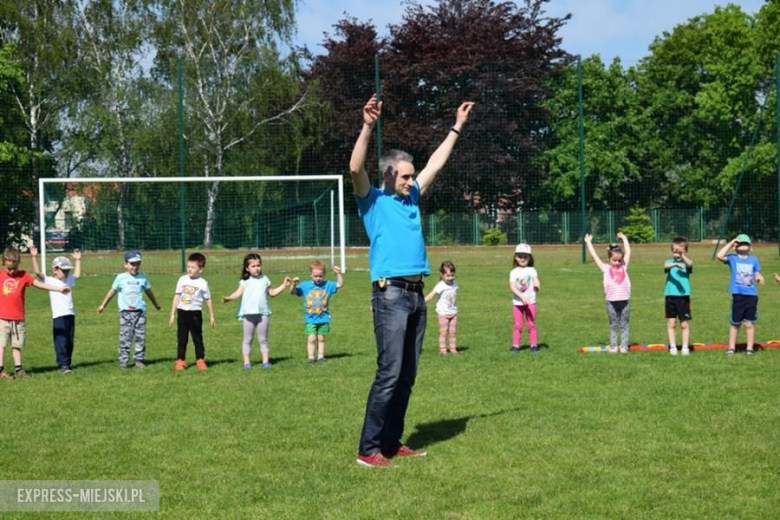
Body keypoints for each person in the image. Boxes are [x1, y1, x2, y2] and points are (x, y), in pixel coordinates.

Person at [351, 94, 475, 467]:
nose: (411, 181)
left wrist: (456, 127)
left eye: (412, 175)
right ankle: (367, 449)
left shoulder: (412, 198)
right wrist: (368, 126)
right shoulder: (372, 200)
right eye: (405, 176)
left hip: (418, 296)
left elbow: (437, 163)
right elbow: (355, 168)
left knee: (406, 376)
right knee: (388, 373)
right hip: (389, 296)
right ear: (388, 175)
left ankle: (390, 442)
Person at [0, 245, 71, 379]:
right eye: (8, 267)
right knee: (1, 343)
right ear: (3, 262)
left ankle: (19, 369)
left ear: (18, 263)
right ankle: (0, 370)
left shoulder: (24, 276)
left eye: (14, 267)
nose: (11, 271)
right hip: (2, 317)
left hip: (18, 317)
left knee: (17, 344)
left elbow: (40, 285)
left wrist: (59, 289)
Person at [221, 254, 290, 369]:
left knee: (263, 339)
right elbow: (238, 293)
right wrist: (229, 298)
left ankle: (265, 362)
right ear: (247, 268)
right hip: (248, 315)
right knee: (248, 339)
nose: (256, 268)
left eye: (258, 265)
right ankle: (247, 362)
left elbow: (272, 293)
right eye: (253, 266)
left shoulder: (265, 279)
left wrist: (284, 286)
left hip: (263, 314)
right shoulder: (245, 281)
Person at [97, 250, 162, 369]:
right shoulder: (120, 278)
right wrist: (103, 305)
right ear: (126, 264)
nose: (135, 267)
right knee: (125, 337)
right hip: (126, 312)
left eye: (138, 264)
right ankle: (123, 360)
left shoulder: (143, 277)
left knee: (140, 337)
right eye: (132, 264)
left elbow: (149, 292)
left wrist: (156, 304)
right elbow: (112, 291)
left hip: (140, 312)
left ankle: (139, 360)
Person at [29, 245, 82, 373]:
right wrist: (34, 257)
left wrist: (78, 260)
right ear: (55, 270)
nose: (66, 273)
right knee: (61, 340)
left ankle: (67, 363)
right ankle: (63, 365)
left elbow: (77, 274)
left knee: (69, 340)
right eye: (63, 270)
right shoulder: (50, 280)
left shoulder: (69, 280)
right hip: (58, 316)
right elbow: (38, 273)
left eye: (67, 270)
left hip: (70, 314)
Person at [716, 234, 765, 355]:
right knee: (735, 324)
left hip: (751, 296)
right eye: (740, 243)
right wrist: (731, 242)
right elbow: (719, 256)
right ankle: (731, 348)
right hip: (738, 296)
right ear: (735, 247)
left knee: (749, 324)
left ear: (750, 247)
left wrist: (759, 277)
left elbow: (757, 272)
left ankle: (750, 348)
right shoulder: (732, 258)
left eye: (745, 244)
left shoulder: (754, 259)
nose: (743, 245)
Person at [585, 232, 632, 354]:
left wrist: (624, 238)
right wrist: (589, 243)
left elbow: (628, 252)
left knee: (624, 323)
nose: (617, 262)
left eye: (619, 260)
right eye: (614, 260)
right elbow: (595, 257)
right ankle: (613, 346)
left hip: (624, 300)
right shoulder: (605, 268)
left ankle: (624, 346)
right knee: (613, 324)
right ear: (609, 259)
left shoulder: (624, 266)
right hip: (611, 301)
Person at [289, 261, 344, 363]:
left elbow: (340, 284)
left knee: (321, 338)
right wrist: (293, 284)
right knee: (311, 338)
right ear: (310, 275)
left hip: (323, 318)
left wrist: (338, 273)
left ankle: (320, 356)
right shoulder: (305, 285)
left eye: (320, 276)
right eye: (315, 276)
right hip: (310, 318)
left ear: (324, 275)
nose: (318, 278)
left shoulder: (328, 285)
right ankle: (311, 357)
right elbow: (293, 292)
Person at [169, 252, 215, 371]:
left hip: (195, 313)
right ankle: (180, 360)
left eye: (193, 267)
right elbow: (177, 296)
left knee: (197, 338)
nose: (189, 269)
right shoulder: (182, 279)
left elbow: (208, 299)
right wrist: (173, 314)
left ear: (200, 269)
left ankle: (200, 360)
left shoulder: (203, 283)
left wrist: (212, 316)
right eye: (188, 266)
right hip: (182, 313)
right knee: (182, 338)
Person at [663, 237, 693, 356]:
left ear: (685, 251)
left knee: (684, 324)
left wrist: (682, 256)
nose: (678, 253)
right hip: (670, 296)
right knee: (671, 323)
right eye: (675, 251)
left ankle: (685, 347)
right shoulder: (669, 262)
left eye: (680, 251)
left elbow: (689, 264)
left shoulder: (687, 263)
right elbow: (665, 267)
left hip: (683, 297)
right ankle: (673, 347)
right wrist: (675, 264)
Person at [509, 244, 540, 353]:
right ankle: (516, 345)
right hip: (517, 303)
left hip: (530, 302)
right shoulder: (513, 272)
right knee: (518, 325)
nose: (522, 259)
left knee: (531, 324)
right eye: (520, 256)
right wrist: (522, 297)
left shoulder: (532, 270)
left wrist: (537, 285)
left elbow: (536, 280)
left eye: (525, 256)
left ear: (530, 258)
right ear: (516, 257)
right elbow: (512, 287)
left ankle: (534, 345)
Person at [425, 261, 459, 356]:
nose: (450, 278)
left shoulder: (455, 284)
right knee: (443, 332)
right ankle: (443, 350)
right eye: (448, 276)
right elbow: (431, 295)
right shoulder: (440, 285)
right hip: (443, 314)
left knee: (452, 333)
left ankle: (453, 349)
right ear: (442, 275)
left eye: (452, 275)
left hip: (453, 313)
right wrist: (422, 302)